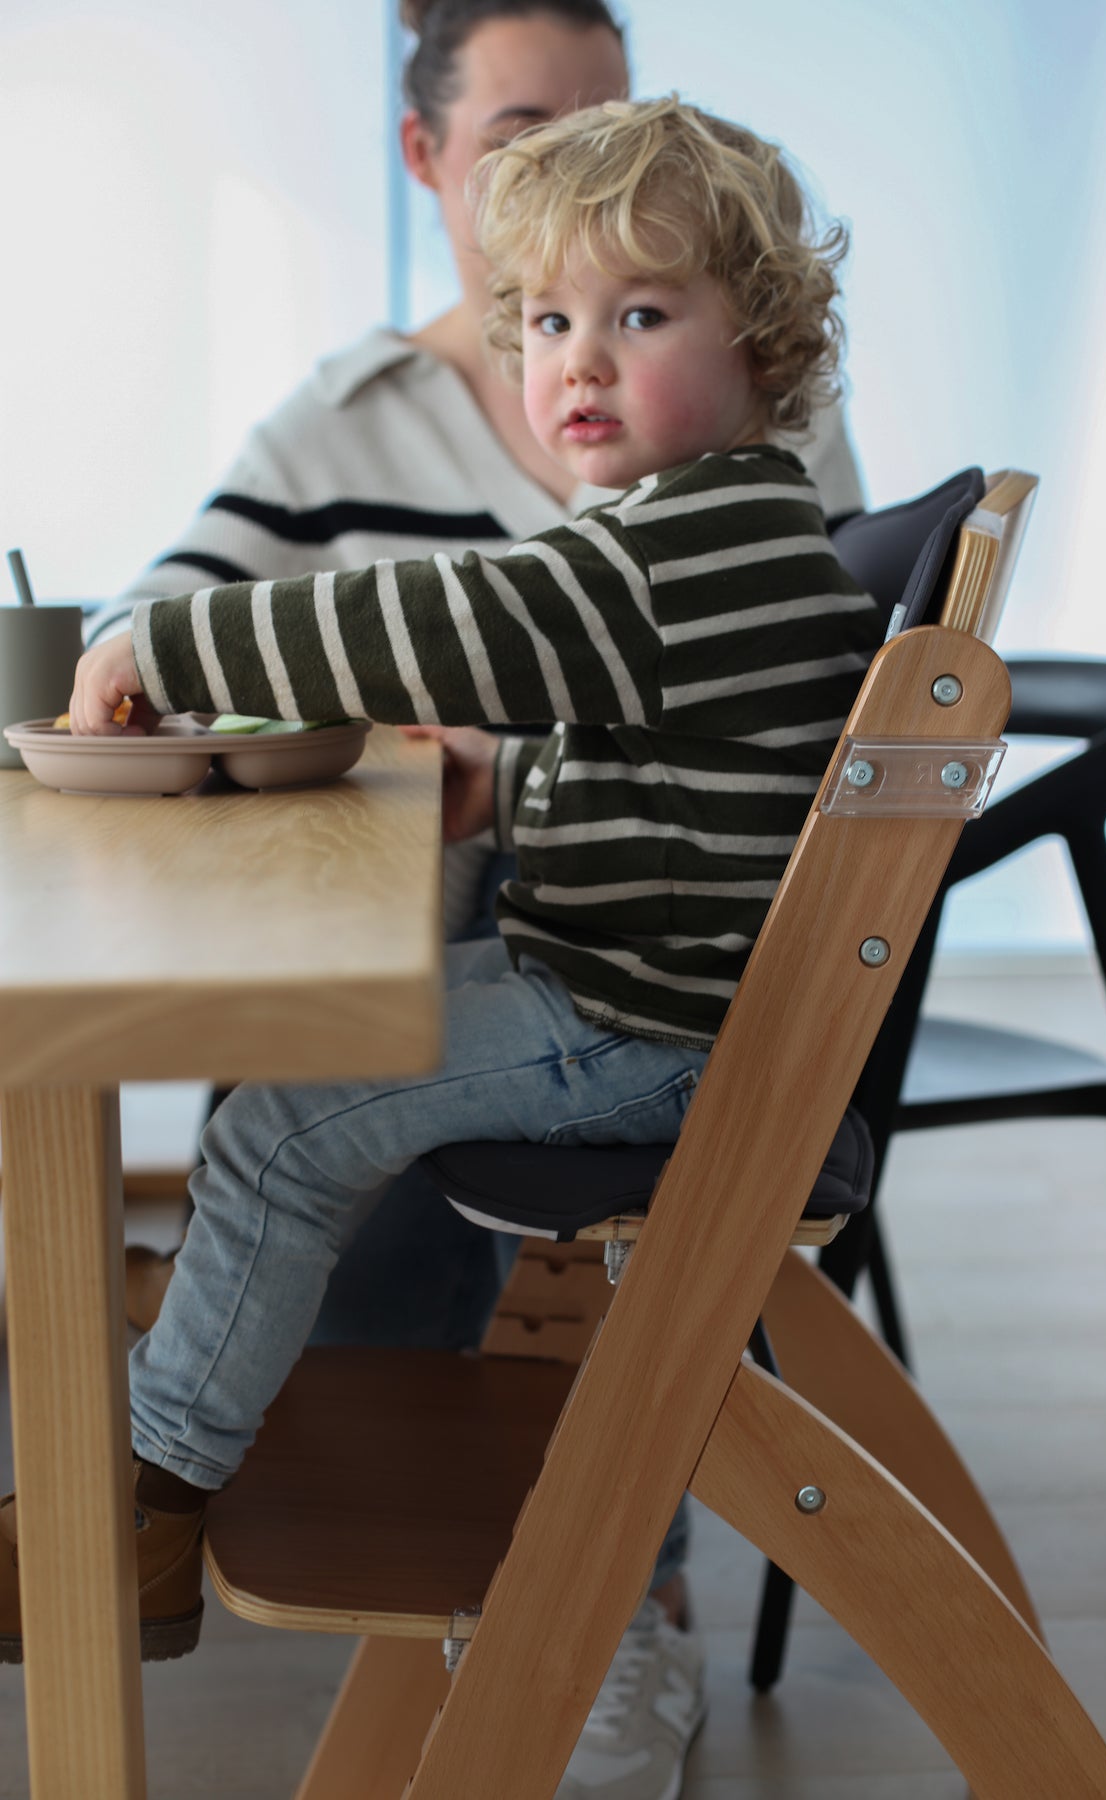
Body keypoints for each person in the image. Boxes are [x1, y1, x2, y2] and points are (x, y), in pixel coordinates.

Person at [87, 7, 865, 1791]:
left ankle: (148, 1489)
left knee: (286, 1119)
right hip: (641, 997)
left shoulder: (685, 537)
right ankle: (207, 1474)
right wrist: (510, 780)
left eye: (638, 318)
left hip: (647, 1038)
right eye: (546, 325)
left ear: (759, 341)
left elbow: (457, 623)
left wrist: (166, 640)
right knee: (306, 1089)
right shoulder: (697, 524)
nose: (576, 364)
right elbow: (653, 742)